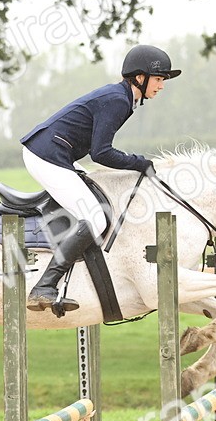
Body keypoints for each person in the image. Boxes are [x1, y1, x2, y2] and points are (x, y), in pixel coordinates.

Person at [19, 44, 180, 311]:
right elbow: (101, 153)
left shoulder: (123, 98)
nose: (162, 85)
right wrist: (140, 163)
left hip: (53, 154)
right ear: (140, 77)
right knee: (95, 218)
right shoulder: (118, 100)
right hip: (46, 156)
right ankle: (44, 286)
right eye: (159, 79)